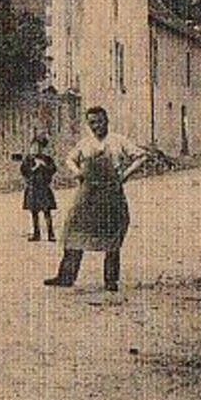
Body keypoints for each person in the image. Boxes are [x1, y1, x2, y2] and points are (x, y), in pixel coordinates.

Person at [46, 107, 146, 292]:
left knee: (112, 235)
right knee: (73, 232)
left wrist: (124, 175)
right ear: (88, 124)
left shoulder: (118, 140)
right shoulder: (85, 143)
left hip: (111, 194)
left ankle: (111, 281)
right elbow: (70, 159)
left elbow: (141, 156)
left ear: (106, 120)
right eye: (92, 122)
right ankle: (66, 277)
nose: (96, 126)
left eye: (99, 121)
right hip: (88, 194)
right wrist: (79, 173)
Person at [20, 134, 59, 242]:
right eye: (33, 147)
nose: (35, 149)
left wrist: (44, 166)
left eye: (38, 147)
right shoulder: (28, 159)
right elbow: (24, 172)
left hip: (44, 188)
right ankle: (36, 234)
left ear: (42, 148)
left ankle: (51, 234)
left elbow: (53, 169)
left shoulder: (47, 159)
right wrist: (34, 168)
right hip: (33, 189)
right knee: (34, 212)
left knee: (47, 212)